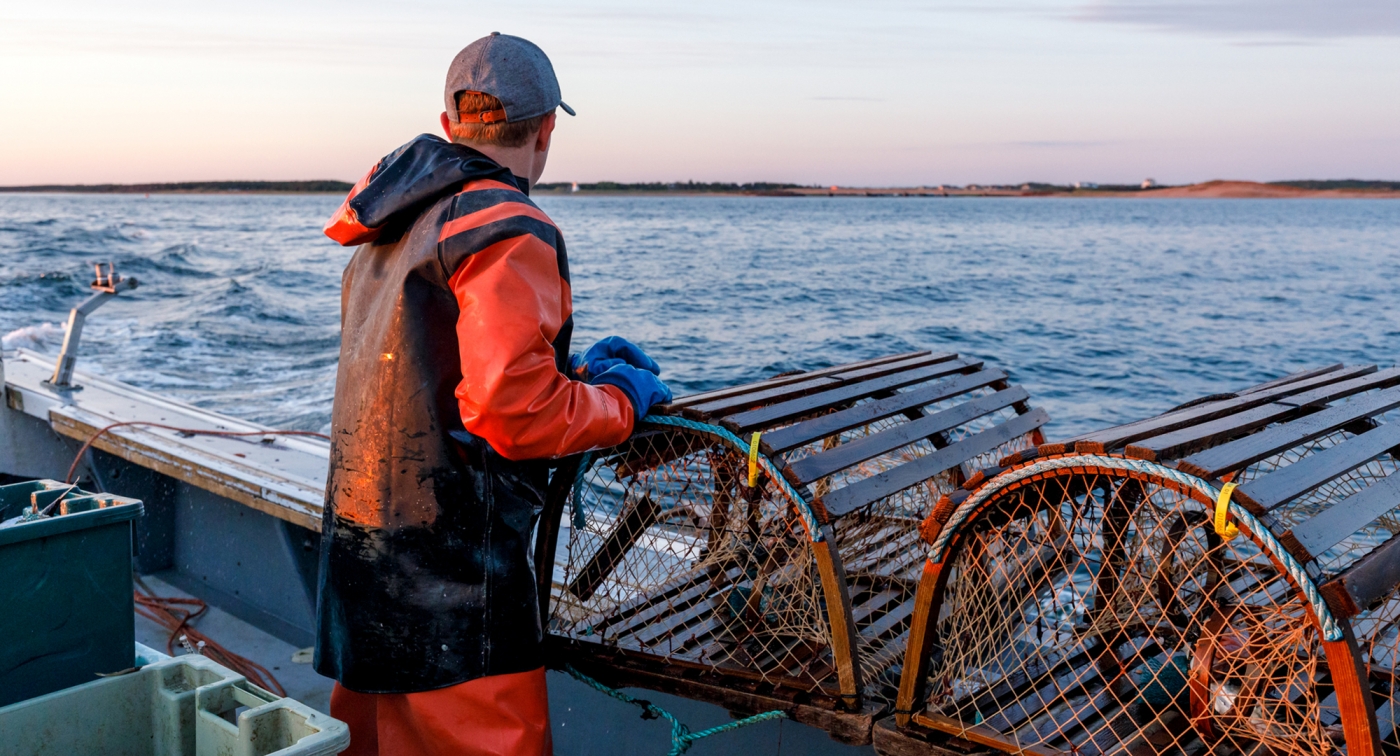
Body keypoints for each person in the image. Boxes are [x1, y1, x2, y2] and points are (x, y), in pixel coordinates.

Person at [313, 32, 672, 756]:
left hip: (362, 563)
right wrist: (623, 402)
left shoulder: (387, 225)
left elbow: (436, 374)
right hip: (455, 588)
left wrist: (572, 376)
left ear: (451, 127)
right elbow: (515, 414)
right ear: (546, 131)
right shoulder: (509, 227)